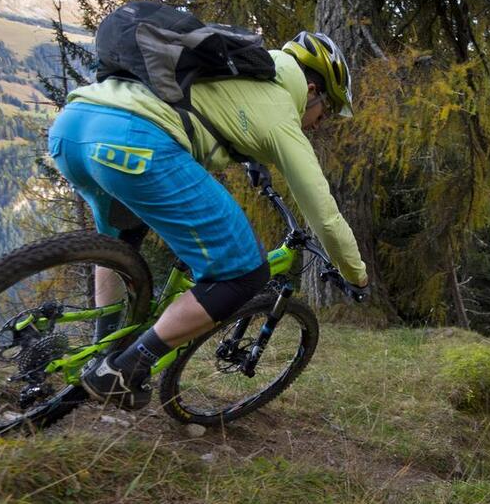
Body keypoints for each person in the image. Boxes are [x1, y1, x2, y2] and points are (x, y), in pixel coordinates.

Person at [47, 31, 369, 410]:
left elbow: (217, 108)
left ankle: (100, 352)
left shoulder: (239, 67)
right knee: (245, 274)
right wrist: (356, 275)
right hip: (133, 142)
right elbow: (326, 217)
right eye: (325, 110)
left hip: (73, 127)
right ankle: (125, 370)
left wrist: (253, 161)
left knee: (121, 244)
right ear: (312, 89)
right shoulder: (282, 109)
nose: (319, 123)